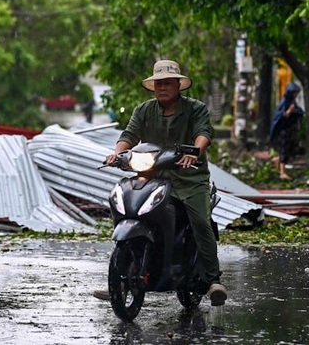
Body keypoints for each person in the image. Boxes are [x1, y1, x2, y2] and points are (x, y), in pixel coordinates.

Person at [94, 59, 227, 306]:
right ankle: (120, 278)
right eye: (158, 84)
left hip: (189, 178)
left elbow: (204, 133)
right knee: (127, 209)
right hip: (153, 176)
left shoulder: (195, 108)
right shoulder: (144, 110)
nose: (162, 88)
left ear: (178, 85)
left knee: (199, 220)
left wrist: (195, 152)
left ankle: (213, 279)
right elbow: (128, 136)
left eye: (167, 83)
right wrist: (117, 153)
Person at [269, 82, 305, 180]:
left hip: (290, 131)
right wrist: (288, 112)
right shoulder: (285, 103)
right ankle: (282, 172)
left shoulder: (292, 102)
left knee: (289, 150)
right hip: (284, 131)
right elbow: (281, 117)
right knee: (284, 150)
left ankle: (277, 161)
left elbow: (298, 112)